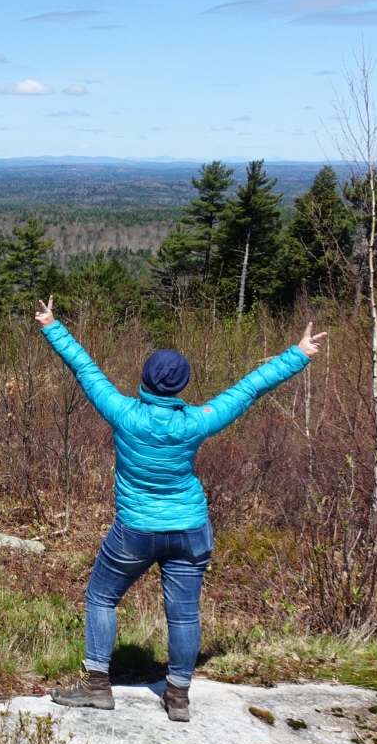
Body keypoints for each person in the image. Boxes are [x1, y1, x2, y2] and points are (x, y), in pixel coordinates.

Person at [34, 296, 326, 721]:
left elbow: (85, 369)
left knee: (101, 596)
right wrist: (298, 355)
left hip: (135, 530)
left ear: (146, 380)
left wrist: (51, 326)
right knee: (184, 615)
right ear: (181, 385)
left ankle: (99, 686)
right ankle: (178, 698)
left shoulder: (124, 414)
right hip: (190, 529)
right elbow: (250, 388)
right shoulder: (197, 421)